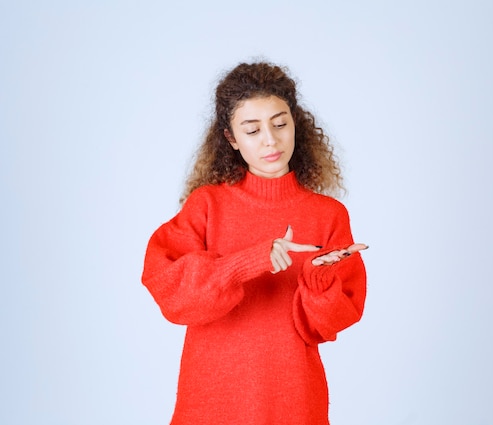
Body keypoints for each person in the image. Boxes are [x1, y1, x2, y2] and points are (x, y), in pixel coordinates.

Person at [141, 61, 368, 425]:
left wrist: (319, 282)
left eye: (280, 124)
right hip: (211, 401)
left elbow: (328, 325)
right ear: (231, 138)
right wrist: (249, 261)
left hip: (293, 400)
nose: (270, 140)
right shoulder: (207, 205)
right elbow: (171, 294)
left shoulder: (329, 215)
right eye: (252, 130)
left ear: (296, 123)